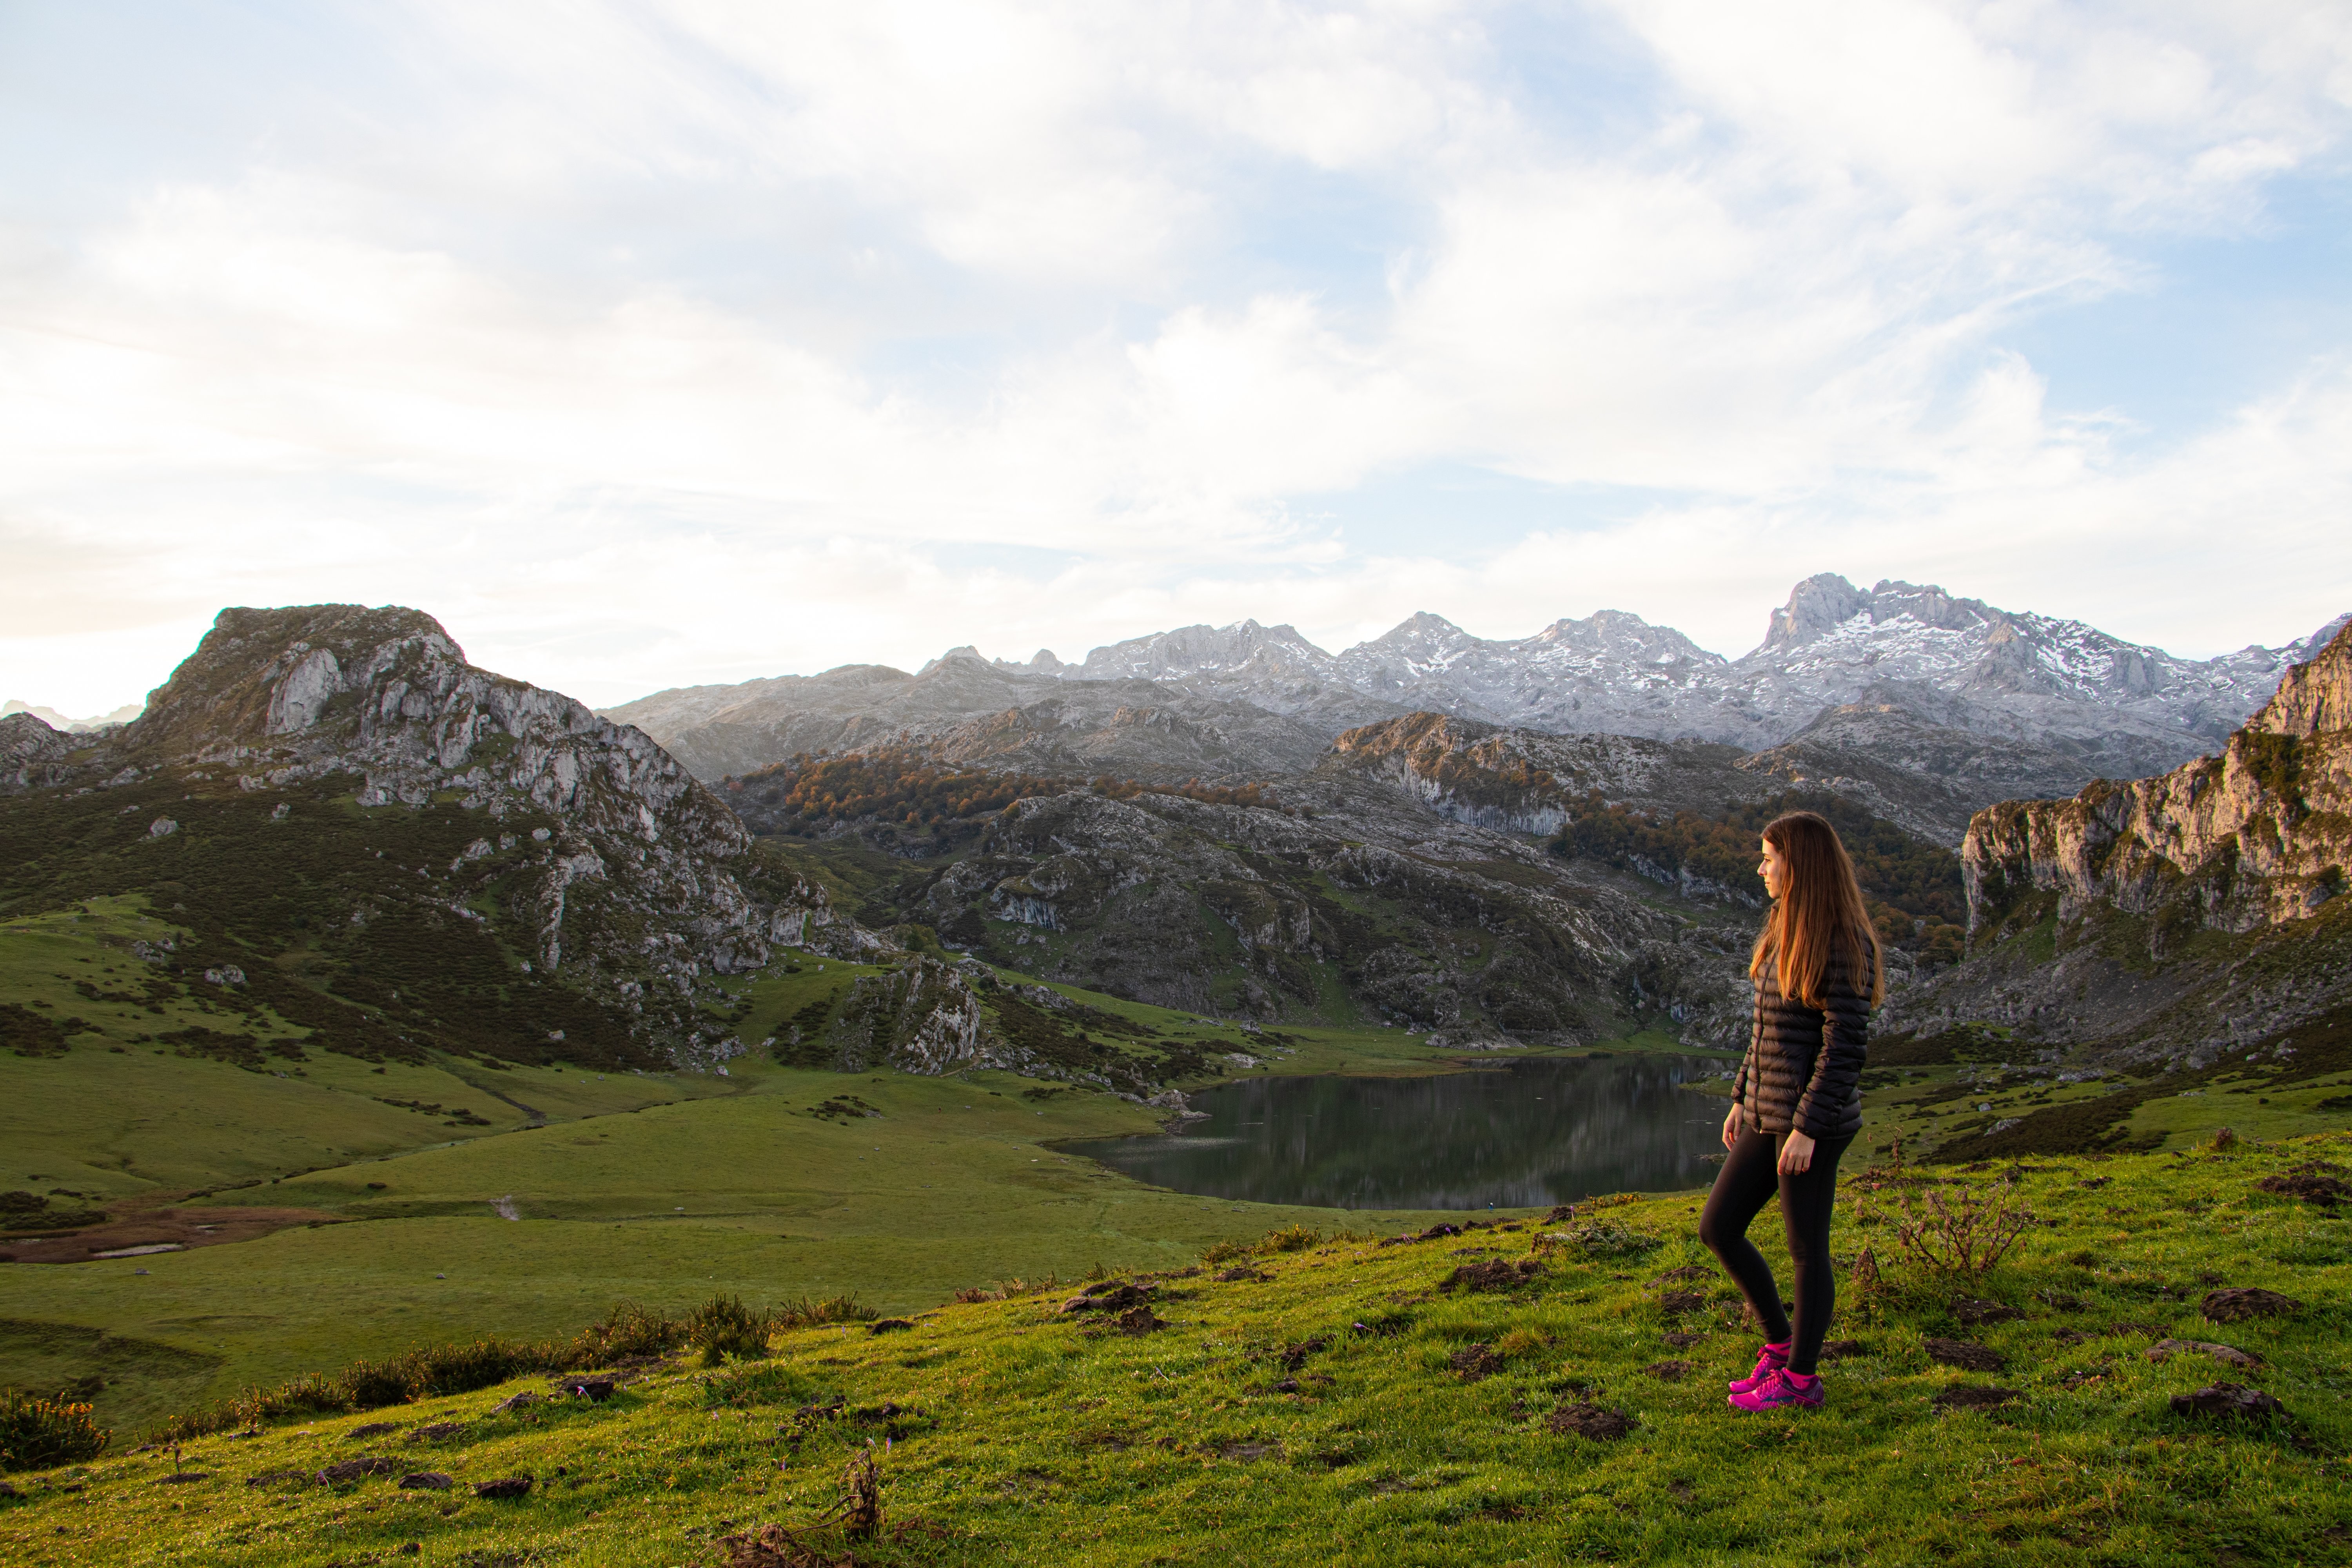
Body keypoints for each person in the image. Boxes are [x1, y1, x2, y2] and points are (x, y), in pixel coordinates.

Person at [1699, 809, 1881, 1412]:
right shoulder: (1783, 925)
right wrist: (1740, 1097)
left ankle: (1801, 1381)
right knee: (1719, 1227)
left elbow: (1844, 1046)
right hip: (1765, 1111)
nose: (1762, 868)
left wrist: (1806, 1127)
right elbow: (1766, 1032)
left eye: (1770, 857)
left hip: (1810, 1124)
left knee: (1807, 1250)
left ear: (1799, 864)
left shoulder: (1842, 941)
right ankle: (1779, 1345)